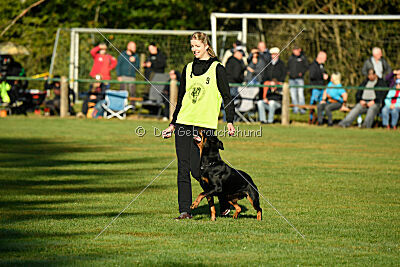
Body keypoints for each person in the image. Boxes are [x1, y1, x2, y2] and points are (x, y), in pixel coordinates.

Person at [162, 32, 236, 220]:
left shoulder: (217, 68)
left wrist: (230, 120)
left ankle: (224, 200)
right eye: (192, 46)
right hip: (183, 123)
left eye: (197, 46)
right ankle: (185, 211)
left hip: (205, 127)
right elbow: (181, 99)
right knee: (182, 167)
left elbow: (227, 97)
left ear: (205, 45)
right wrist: (173, 124)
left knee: (200, 169)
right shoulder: (187, 68)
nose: (194, 49)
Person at [287, 45, 308, 114]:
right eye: (295, 50)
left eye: (297, 50)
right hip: (291, 79)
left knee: (300, 94)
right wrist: (288, 72)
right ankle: (295, 110)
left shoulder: (303, 57)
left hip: (299, 79)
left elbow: (306, 67)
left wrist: (302, 73)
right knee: (293, 95)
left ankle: (302, 109)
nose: (296, 51)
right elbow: (287, 67)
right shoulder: (290, 58)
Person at [309, 51, 329, 123]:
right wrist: (322, 76)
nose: (325, 60)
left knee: (322, 103)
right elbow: (312, 75)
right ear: (321, 57)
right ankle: (311, 119)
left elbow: (324, 73)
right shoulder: (313, 65)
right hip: (315, 88)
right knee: (313, 104)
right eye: (325, 58)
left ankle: (320, 119)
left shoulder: (322, 65)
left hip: (322, 88)